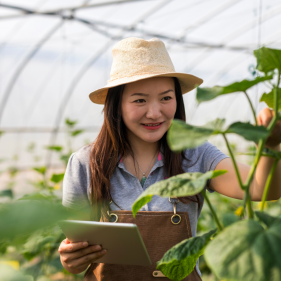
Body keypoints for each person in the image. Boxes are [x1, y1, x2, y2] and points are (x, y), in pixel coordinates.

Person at [58, 37, 281, 280]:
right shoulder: (85, 163)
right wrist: (70, 259)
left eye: (166, 98)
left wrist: (270, 146)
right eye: (140, 100)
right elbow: (76, 250)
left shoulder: (196, 154)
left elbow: (262, 189)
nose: (155, 112)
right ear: (116, 104)